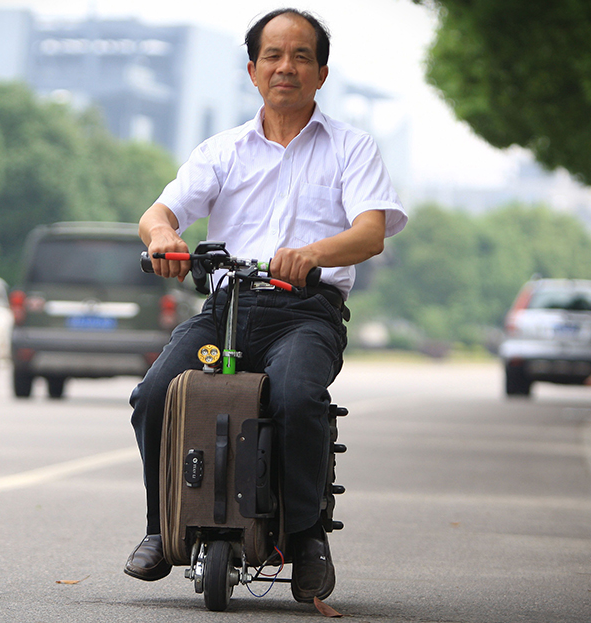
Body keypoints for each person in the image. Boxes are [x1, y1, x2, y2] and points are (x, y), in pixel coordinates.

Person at [123, 8, 408, 603]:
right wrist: (164, 238)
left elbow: (371, 232)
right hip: (226, 309)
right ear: (253, 70)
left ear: (321, 73)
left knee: (298, 394)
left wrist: (311, 253)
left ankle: (306, 539)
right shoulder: (221, 151)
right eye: (273, 56)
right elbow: (160, 213)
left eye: (301, 56)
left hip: (307, 312)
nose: (286, 67)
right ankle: (159, 526)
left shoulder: (351, 148)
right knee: (154, 393)